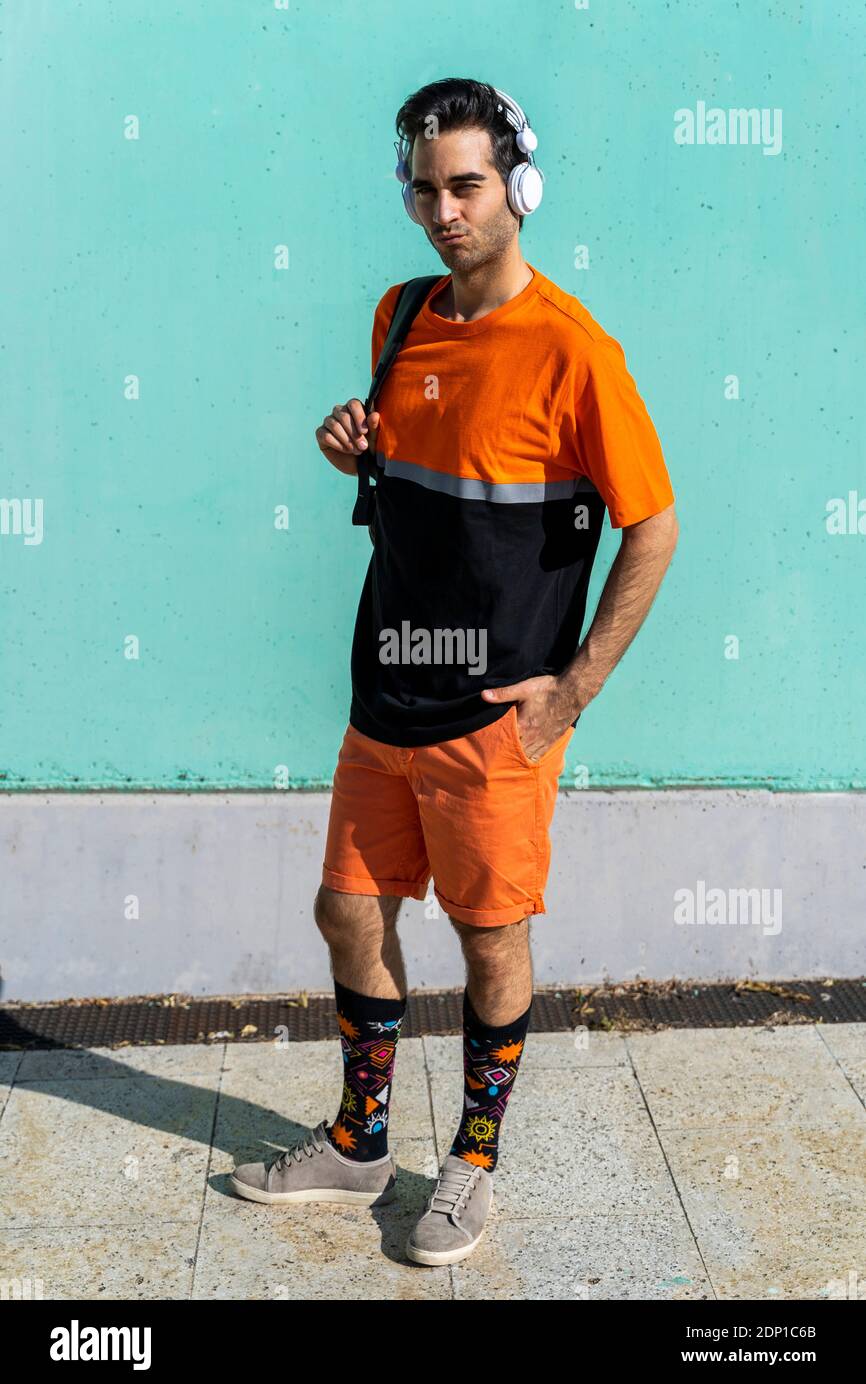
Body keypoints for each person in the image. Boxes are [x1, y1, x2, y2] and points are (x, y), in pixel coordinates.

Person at [230, 77, 678, 1267]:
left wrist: (572, 690)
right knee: (346, 912)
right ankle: (361, 1138)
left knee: (489, 938)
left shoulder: (573, 351)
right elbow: (420, 483)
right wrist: (354, 450)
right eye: (424, 188)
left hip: (495, 720)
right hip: (383, 688)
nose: (443, 210)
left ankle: (470, 1164)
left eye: (466, 184)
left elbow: (654, 525)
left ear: (517, 185)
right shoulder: (398, 316)